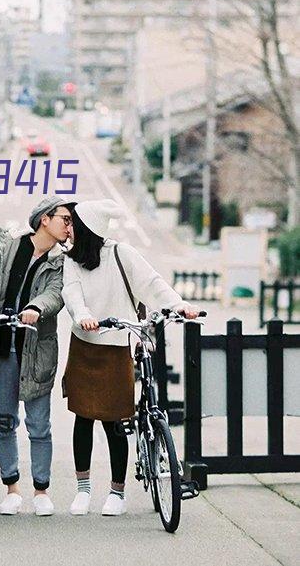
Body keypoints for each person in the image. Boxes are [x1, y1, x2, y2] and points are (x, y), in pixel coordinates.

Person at [62, 199, 199, 517]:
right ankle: (83, 490)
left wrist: (180, 306)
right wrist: (82, 314)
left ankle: (116, 492)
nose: (69, 230)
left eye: (74, 225)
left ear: (88, 229)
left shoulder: (122, 254)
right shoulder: (72, 259)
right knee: (82, 418)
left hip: (116, 345)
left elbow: (152, 284)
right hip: (84, 343)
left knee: (114, 420)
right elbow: (72, 292)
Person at [0, 196, 75, 516]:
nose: (69, 226)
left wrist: (36, 307)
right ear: (45, 219)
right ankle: (11, 488)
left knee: (39, 424)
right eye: (64, 219)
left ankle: (41, 490)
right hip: (1, 346)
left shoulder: (62, 262)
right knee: (5, 420)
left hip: (37, 351)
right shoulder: (3, 247)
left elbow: (56, 293)